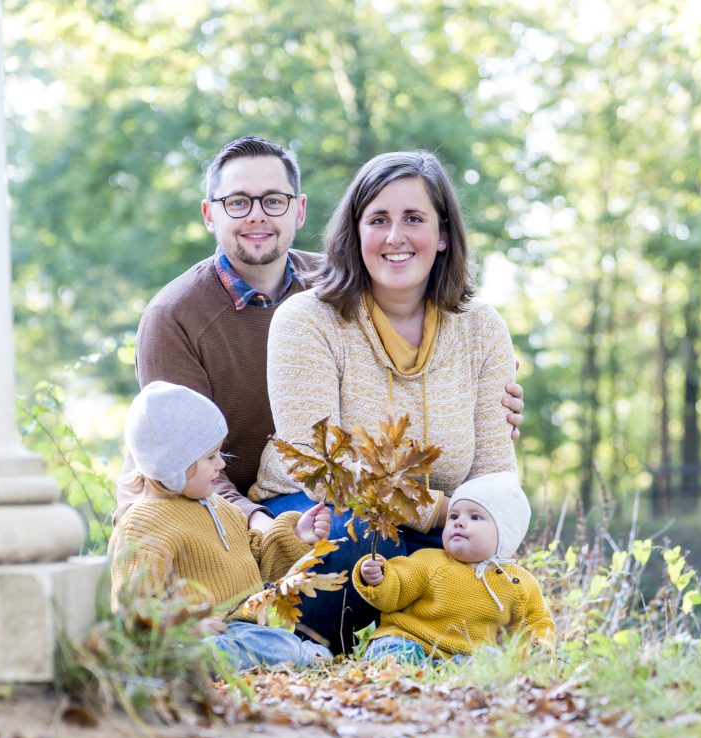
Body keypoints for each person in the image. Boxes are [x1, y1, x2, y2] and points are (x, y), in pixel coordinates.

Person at [131, 136, 524, 532]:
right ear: (209, 214)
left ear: (299, 210)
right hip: (219, 509)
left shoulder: (353, 280)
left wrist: (484, 380)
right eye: (237, 202)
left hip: (357, 499)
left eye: (273, 200)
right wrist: (263, 529)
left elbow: (490, 455)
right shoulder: (175, 316)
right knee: (357, 533)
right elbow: (180, 461)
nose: (256, 216)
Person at [250, 150, 525, 653]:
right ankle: (314, 644)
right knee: (359, 539)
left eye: (414, 219)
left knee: (484, 572)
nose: (395, 237)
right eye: (378, 219)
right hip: (319, 516)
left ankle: (412, 643)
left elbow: (494, 476)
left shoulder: (481, 327)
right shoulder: (308, 320)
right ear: (355, 234)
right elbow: (321, 467)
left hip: (438, 531)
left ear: (443, 235)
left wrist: (478, 532)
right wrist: (447, 516)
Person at [109, 381, 332, 671]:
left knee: (258, 640)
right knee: (224, 647)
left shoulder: (220, 507)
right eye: (210, 457)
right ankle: (290, 656)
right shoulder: (144, 525)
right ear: (174, 467)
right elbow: (134, 603)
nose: (221, 465)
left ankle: (283, 654)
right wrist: (186, 627)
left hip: (241, 630)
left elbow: (258, 563)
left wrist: (296, 534)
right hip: (196, 639)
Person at [352, 472, 555, 661]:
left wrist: (538, 647)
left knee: (491, 659)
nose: (459, 523)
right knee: (391, 650)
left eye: (475, 517)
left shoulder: (518, 582)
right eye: (454, 516)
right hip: (411, 639)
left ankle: (451, 676)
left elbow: (536, 621)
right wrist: (379, 578)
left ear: (505, 533)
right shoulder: (430, 561)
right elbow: (397, 587)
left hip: (467, 655)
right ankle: (400, 667)